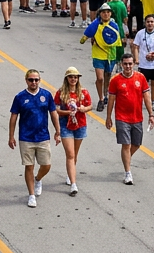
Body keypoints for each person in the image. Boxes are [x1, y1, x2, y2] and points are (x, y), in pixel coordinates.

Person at [8, 69, 59, 209]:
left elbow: (53, 113)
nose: (34, 82)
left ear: (39, 80)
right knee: (29, 166)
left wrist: (58, 132)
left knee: (46, 165)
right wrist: (11, 136)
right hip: (26, 137)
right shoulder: (20, 97)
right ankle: (31, 195)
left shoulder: (46, 95)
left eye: (36, 80)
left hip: (43, 136)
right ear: (26, 81)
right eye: (31, 80)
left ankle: (38, 179)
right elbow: (13, 117)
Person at [106, 52, 154, 185]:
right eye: (125, 64)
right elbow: (111, 100)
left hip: (137, 117)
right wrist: (108, 117)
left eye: (130, 64)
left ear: (134, 64)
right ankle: (128, 173)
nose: (127, 66)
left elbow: (147, 97)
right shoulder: (115, 80)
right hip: (122, 117)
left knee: (136, 144)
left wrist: (151, 114)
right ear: (121, 64)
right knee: (126, 144)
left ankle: (125, 158)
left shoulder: (141, 78)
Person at [55, 66, 92, 196]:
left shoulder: (83, 92)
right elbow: (56, 110)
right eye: (71, 77)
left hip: (80, 125)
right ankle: (73, 184)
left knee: (74, 154)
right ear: (67, 78)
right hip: (66, 125)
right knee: (70, 154)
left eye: (75, 77)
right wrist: (68, 112)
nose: (73, 79)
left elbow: (90, 106)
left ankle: (71, 174)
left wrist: (83, 109)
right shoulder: (60, 92)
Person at [133, 14, 154, 110]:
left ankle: (153, 101)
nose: (150, 24)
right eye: (148, 22)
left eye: (152, 22)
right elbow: (135, 46)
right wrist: (137, 59)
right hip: (143, 64)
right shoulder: (140, 33)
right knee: (142, 84)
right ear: (145, 23)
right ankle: (140, 101)